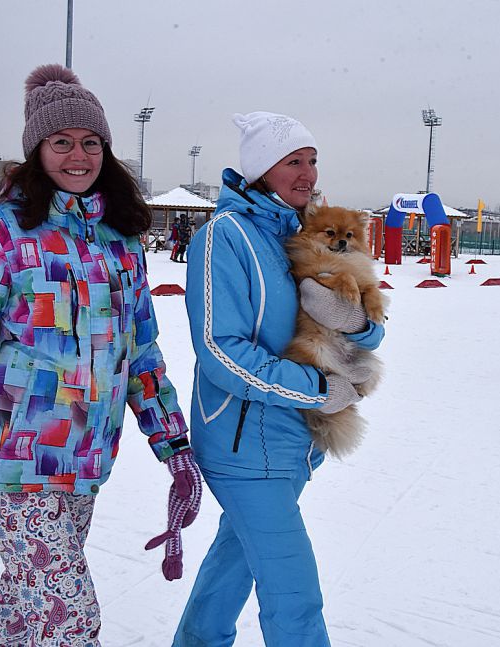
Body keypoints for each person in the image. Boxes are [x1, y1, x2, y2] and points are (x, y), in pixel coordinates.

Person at [0, 63, 202, 646]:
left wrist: (174, 446)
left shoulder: (121, 239)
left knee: (22, 604)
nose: (77, 156)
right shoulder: (4, 234)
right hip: (15, 462)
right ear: (37, 151)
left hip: (84, 460)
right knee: (69, 618)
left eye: (90, 143)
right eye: (61, 143)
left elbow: (141, 355)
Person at [175, 111, 385, 646]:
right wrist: (317, 389)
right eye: (293, 161)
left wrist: (363, 329)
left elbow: (347, 320)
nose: (308, 173)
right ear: (261, 168)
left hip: (294, 441)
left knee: (233, 568)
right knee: (294, 598)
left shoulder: (298, 236)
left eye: (312, 161)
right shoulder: (225, 237)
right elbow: (222, 350)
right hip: (244, 445)